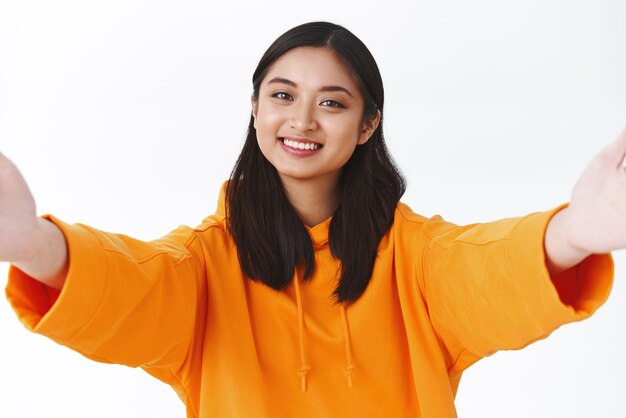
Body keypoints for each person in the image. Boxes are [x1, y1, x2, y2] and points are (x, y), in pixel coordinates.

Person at [1, 21, 622, 417]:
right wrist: (33, 244)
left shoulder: (416, 256)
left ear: (368, 124)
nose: (301, 120)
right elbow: (127, 287)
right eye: (281, 95)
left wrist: (570, 235)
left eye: (332, 102)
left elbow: (487, 271)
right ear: (254, 109)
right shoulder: (203, 265)